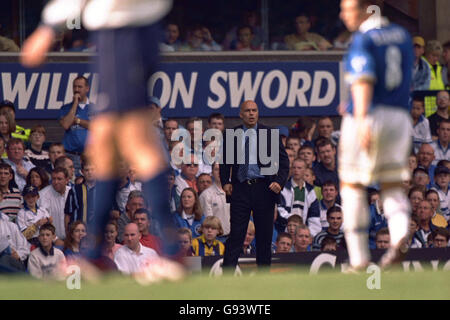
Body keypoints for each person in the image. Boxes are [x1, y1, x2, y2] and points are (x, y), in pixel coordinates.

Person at [21, 0, 180, 272]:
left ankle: (172, 252)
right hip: (115, 32)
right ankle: (95, 257)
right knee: (105, 143)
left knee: (136, 137)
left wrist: (48, 26)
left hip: (129, 30)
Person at [339, 0, 413, 270]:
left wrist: (360, 118)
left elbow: (363, 80)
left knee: (352, 186)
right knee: (392, 185)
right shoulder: (403, 37)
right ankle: (400, 232)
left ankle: (358, 260)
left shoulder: (362, 40)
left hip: (371, 115)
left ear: (366, 10)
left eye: (347, 9)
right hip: (400, 117)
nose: (342, 15)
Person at [220, 100, 289, 270]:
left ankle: (263, 280)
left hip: (264, 189)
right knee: (236, 235)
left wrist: (279, 182)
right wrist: (225, 182)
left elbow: (284, 162)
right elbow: (224, 162)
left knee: (264, 237)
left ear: (258, 113)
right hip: (240, 189)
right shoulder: (231, 134)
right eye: (247, 111)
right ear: (240, 114)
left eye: (254, 110)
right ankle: (226, 277)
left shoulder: (270, 133)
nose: (251, 114)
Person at [58, 76, 93, 178]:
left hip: (90, 157)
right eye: (74, 87)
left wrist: (78, 121)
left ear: (87, 88)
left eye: (80, 87)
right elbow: (66, 124)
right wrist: (75, 104)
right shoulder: (66, 108)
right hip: (71, 155)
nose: (76, 90)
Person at [276, 158, 320, 236]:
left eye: (299, 168)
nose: (296, 170)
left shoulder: (310, 191)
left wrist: (310, 234)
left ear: (305, 170)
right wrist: (295, 222)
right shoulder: (284, 188)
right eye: (294, 167)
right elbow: (280, 210)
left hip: (303, 233)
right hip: (284, 230)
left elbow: (314, 216)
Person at [37, 167, 71, 240]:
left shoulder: (72, 193)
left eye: (59, 179)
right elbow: (42, 222)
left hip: (71, 240)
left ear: (67, 180)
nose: (55, 182)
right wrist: (55, 239)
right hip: (51, 241)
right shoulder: (42, 195)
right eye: (53, 179)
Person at [199, 163, 231, 237]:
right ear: (212, 173)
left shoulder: (235, 192)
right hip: (215, 238)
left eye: (222, 169)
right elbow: (208, 221)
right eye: (216, 169)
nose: (220, 172)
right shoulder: (206, 195)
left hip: (233, 237)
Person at [64, 159, 97, 230]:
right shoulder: (74, 190)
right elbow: (68, 213)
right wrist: (67, 233)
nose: (90, 172)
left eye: (92, 169)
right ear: (82, 172)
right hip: (77, 232)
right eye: (87, 170)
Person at [423, 41, 446, 117]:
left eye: (438, 56)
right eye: (433, 55)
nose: (436, 58)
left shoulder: (441, 69)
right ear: (427, 53)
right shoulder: (421, 67)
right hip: (425, 111)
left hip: (440, 110)